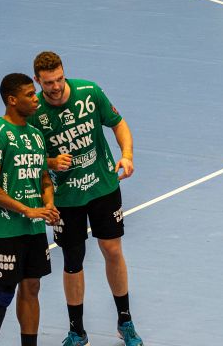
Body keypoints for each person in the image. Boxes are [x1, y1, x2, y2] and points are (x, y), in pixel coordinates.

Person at [28, 51, 144, 346]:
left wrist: (127, 155)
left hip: (102, 186)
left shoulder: (89, 93)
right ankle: (77, 331)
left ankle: (125, 322)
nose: (56, 87)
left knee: (112, 250)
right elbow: (30, 159)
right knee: (72, 259)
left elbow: (118, 123)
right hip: (66, 198)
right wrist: (52, 163)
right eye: (48, 82)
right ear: (37, 81)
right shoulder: (35, 113)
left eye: (59, 79)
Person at [0, 73, 60, 346]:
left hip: (33, 227)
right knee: (4, 292)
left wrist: (48, 204)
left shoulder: (36, 135)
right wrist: (27, 210)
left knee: (32, 287)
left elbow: (44, 178)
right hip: (4, 228)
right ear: (12, 100)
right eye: (29, 95)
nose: (36, 99)